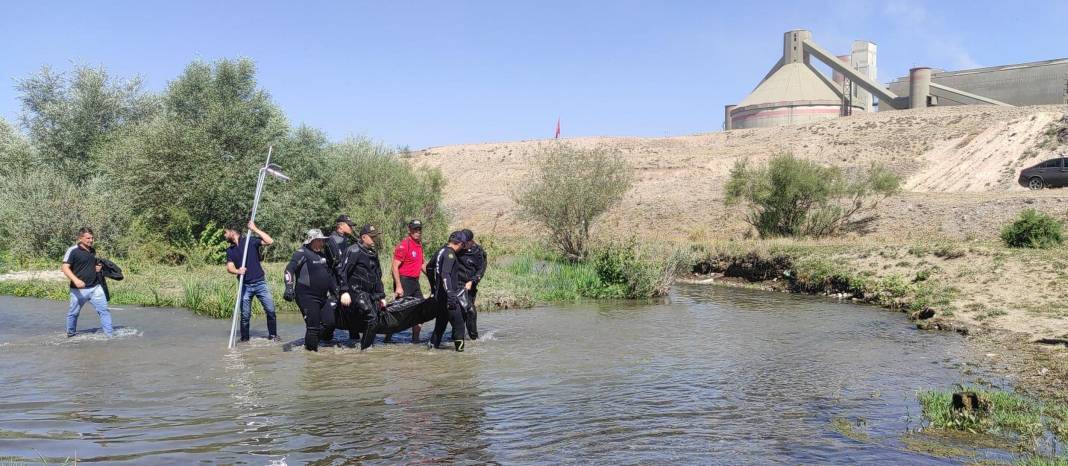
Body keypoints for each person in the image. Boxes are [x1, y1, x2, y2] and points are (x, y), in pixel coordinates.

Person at [284, 229, 342, 352]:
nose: (322, 243)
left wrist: (336, 292)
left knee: (330, 323)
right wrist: (289, 287)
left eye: (323, 240)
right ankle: (311, 355)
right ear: (312, 240)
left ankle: (313, 342)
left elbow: (328, 276)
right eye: (320, 240)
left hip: (322, 297)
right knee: (313, 327)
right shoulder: (301, 253)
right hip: (306, 297)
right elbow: (289, 270)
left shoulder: (322, 255)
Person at [224, 221, 278, 342]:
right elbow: (229, 267)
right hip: (245, 286)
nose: (225, 235)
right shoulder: (230, 250)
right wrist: (238, 271)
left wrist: (254, 228)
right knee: (245, 316)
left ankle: (273, 336)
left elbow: (270, 241)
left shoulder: (250, 240)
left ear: (232, 232)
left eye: (226, 232)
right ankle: (245, 340)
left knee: (270, 310)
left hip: (260, 283)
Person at [339, 224, 387, 350]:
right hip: (355, 291)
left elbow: (378, 275)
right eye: (372, 237)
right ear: (364, 237)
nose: (374, 239)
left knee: (376, 318)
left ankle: (363, 345)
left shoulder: (373, 253)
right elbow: (342, 271)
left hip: (370, 293)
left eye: (375, 237)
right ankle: (365, 349)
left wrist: (381, 296)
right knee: (372, 318)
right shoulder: (353, 250)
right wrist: (344, 291)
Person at [62, 227, 112, 337]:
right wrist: (76, 280)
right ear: (80, 238)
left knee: (104, 311)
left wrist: (97, 268)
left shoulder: (92, 250)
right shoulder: (73, 250)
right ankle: (70, 335)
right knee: (73, 314)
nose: (91, 240)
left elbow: (88, 265)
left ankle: (109, 336)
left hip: (95, 287)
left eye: (92, 238)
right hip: (78, 290)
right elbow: (65, 267)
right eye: (88, 238)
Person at [429, 231, 469, 352]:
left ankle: (432, 349)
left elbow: (429, 268)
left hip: (439, 297)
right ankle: (460, 354)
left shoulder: (440, 251)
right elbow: (445, 274)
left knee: (440, 327)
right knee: (459, 326)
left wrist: (434, 288)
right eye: (464, 245)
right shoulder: (450, 255)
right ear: (460, 243)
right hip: (448, 297)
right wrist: (450, 294)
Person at [390, 219, 426, 342]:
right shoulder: (404, 245)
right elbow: (394, 266)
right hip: (404, 281)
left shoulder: (419, 245)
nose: (417, 231)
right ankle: (387, 337)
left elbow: (422, 265)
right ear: (409, 230)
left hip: (415, 282)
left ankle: (415, 339)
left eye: (419, 229)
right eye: (415, 229)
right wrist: (399, 286)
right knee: (399, 312)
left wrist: (433, 277)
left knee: (420, 310)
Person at [320, 214, 354, 342]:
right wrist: (343, 287)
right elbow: (338, 265)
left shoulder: (345, 239)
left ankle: (353, 338)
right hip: (334, 281)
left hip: (344, 280)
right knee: (332, 310)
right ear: (340, 226)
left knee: (350, 309)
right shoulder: (331, 240)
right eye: (349, 225)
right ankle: (323, 339)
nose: (351, 228)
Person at [456, 229, 487, 340]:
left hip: (470, 286)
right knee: (470, 311)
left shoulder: (479, 253)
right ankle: (474, 338)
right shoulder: (457, 248)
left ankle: (463, 338)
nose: (462, 244)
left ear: (471, 241)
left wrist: (473, 281)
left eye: (464, 242)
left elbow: (481, 270)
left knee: (466, 314)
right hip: (457, 285)